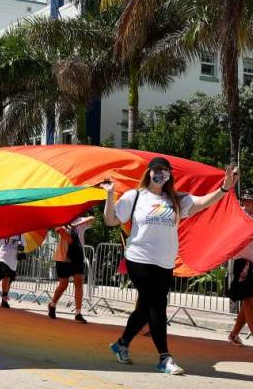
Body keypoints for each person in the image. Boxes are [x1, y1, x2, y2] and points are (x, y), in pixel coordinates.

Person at [102, 157, 237, 375]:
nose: (161, 173)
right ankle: (164, 358)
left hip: (164, 262)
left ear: (170, 174)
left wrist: (224, 188)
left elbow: (203, 203)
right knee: (157, 304)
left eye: (165, 170)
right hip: (139, 258)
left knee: (145, 307)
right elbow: (110, 220)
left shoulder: (176, 199)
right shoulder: (135, 196)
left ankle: (122, 343)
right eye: (157, 169)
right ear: (149, 172)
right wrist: (109, 195)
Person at [49, 215, 94, 323]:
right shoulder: (60, 221)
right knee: (64, 284)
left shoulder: (79, 221)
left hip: (78, 258)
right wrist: (67, 225)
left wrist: (74, 224)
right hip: (63, 258)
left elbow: (92, 218)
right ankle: (52, 304)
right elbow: (68, 239)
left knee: (79, 283)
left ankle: (78, 313)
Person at [228, 189, 253, 346]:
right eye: (245, 198)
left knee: (247, 302)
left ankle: (234, 334)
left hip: (252, 262)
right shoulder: (238, 215)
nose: (248, 201)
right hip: (243, 262)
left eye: (250, 199)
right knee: (250, 300)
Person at [0, 236, 21, 308]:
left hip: (13, 261)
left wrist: (21, 249)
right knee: (6, 277)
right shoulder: (5, 229)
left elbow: (22, 246)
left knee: (9, 280)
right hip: (3, 257)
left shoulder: (21, 234)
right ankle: (4, 297)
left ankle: (4, 300)